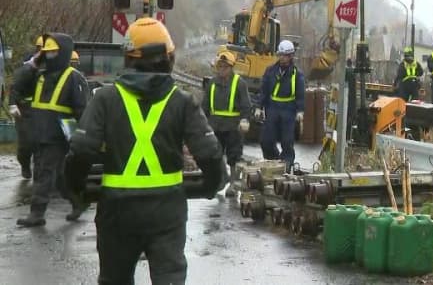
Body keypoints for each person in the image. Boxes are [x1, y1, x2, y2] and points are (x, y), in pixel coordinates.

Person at [64, 17, 224, 285]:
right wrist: (211, 185)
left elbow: (81, 151)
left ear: (128, 58)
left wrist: (75, 190)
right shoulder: (181, 101)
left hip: (116, 212)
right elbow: (209, 154)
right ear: (168, 58)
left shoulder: (105, 99)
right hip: (167, 212)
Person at [15, 33, 88, 227]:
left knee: (43, 173)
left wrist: (83, 135)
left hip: (56, 136)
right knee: (60, 177)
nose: (48, 56)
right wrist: (32, 64)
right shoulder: (39, 74)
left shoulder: (74, 78)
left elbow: (82, 110)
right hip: (38, 133)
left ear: (63, 53)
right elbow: (17, 87)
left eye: (53, 52)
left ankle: (37, 213)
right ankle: (77, 203)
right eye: (46, 52)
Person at [202, 51, 251, 197]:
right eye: (220, 66)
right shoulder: (212, 83)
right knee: (216, 155)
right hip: (215, 126)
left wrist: (244, 119)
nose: (222, 69)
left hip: (233, 127)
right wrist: (200, 124)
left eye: (225, 67)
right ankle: (220, 180)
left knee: (233, 156)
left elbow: (246, 105)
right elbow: (204, 107)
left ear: (231, 67)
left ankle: (233, 184)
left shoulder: (239, 83)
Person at [258, 40, 305, 171]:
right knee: (266, 140)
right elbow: (264, 90)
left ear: (291, 56)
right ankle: (274, 162)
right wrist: (259, 107)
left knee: (287, 142)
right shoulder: (270, 71)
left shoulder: (297, 74)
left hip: (289, 110)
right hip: (273, 108)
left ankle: (286, 167)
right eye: (280, 55)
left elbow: (300, 93)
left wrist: (300, 111)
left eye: (285, 55)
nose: (282, 58)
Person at [8, 35, 44, 179]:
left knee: (41, 143)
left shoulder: (52, 65)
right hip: (25, 110)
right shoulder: (28, 65)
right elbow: (15, 87)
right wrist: (12, 104)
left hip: (42, 110)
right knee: (26, 143)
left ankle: (39, 172)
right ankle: (24, 163)